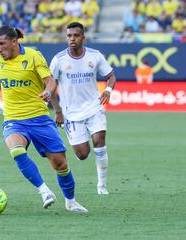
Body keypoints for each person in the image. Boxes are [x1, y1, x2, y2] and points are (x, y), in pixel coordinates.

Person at [0, 25, 88, 213]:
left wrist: (48, 91)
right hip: (14, 119)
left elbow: (51, 81)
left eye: (2, 44)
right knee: (16, 150)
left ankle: (70, 201)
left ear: (14, 42)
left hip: (39, 118)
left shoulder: (33, 56)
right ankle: (45, 191)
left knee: (60, 164)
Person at [50, 22, 116, 195]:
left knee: (99, 140)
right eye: (69, 36)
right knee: (82, 154)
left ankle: (102, 185)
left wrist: (108, 90)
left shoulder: (95, 56)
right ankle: (81, 148)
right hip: (71, 113)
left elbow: (111, 76)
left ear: (83, 38)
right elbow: (50, 85)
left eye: (76, 35)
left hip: (94, 107)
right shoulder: (59, 60)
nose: (72, 39)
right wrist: (58, 111)